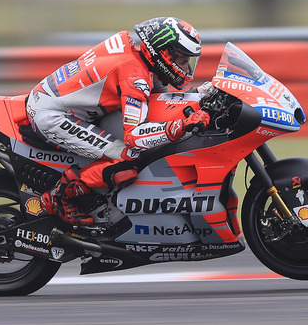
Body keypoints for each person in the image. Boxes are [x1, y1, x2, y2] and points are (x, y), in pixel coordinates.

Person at [26, 16, 210, 226]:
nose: (187, 70)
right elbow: (135, 138)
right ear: (164, 56)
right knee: (129, 157)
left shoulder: (135, 55)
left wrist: (199, 94)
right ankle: (60, 196)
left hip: (57, 100)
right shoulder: (135, 77)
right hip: (53, 115)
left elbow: (160, 101)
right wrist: (180, 126)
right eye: (183, 62)